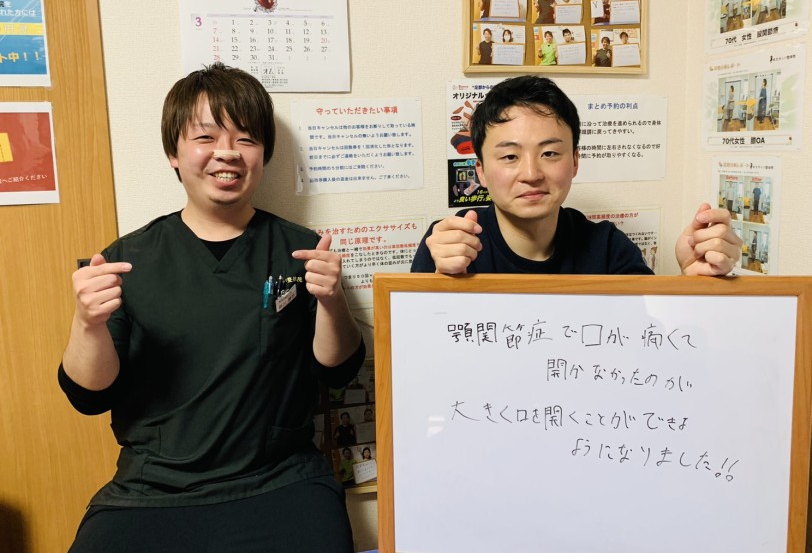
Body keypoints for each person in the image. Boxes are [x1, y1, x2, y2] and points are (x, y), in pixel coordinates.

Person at [59, 62, 365, 552]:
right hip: (152, 490)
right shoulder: (126, 260)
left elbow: (339, 371)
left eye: (246, 139)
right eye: (206, 136)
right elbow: (89, 397)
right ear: (173, 153)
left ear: (264, 154)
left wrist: (330, 300)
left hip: (280, 480)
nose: (228, 152)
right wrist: (87, 323)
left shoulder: (301, 249)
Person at [410, 75, 741, 277]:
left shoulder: (608, 248)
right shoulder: (449, 243)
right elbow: (414, 356)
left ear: (575, 162)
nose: (531, 174)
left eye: (550, 153)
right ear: (480, 171)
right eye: (510, 156)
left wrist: (693, 284)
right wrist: (438, 280)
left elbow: (648, 348)